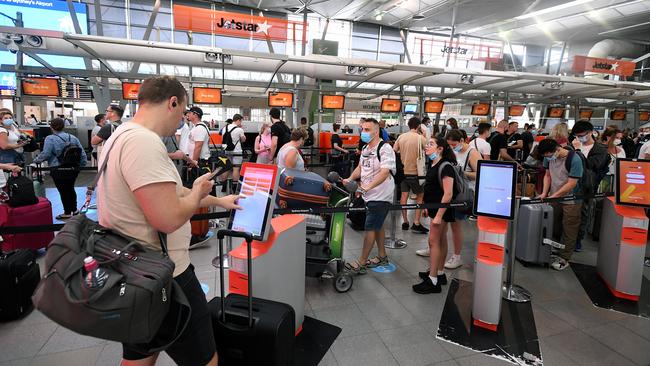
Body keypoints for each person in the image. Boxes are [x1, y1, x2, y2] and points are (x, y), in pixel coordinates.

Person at [97, 76, 240, 366]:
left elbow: (172, 194)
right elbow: (168, 218)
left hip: (131, 269)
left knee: (141, 355)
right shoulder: (143, 143)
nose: (180, 123)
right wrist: (199, 191)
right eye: (182, 113)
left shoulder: (119, 136)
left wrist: (216, 200)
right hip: (166, 276)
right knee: (204, 359)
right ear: (172, 102)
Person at [342, 118, 396, 274]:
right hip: (369, 195)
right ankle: (382, 256)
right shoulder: (365, 148)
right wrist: (351, 178)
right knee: (378, 226)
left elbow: (385, 172)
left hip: (381, 196)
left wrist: (366, 187)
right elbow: (360, 168)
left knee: (370, 227)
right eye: (362, 129)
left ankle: (361, 262)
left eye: (367, 129)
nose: (363, 132)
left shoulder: (385, 149)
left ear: (376, 131)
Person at [422, 130, 481, 268]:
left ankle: (456, 256)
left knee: (455, 226)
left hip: (461, 194)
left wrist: (460, 173)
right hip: (445, 194)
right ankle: (434, 250)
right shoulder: (447, 155)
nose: (452, 148)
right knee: (440, 232)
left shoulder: (472, 153)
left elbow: (482, 173)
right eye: (449, 145)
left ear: (462, 141)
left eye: (454, 145)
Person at [413, 136, 457, 294]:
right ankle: (439, 272)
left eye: (431, 144)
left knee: (433, 242)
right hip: (435, 208)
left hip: (442, 210)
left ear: (440, 149)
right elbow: (431, 187)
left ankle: (433, 281)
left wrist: (438, 216)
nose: (427, 146)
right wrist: (426, 205)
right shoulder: (433, 163)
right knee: (441, 240)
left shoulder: (446, 167)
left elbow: (448, 193)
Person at [538, 138, 583, 271]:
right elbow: (547, 176)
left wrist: (554, 196)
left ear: (557, 149)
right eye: (546, 156)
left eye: (549, 155)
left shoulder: (574, 160)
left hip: (571, 199)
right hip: (554, 196)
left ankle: (565, 257)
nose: (548, 158)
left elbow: (571, 183)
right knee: (553, 224)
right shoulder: (548, 157)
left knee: (569, 228)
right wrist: (544, 193)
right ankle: (554, 249)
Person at [33, 118, 87, 220]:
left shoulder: (50, 138)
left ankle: (67, 212)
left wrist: (36, 160)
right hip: (72, 168)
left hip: (57, 168)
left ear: (51, 127)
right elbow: (82, 153)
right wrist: (80, 166)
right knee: (70, 188)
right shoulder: (73, 137)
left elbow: (46, 153)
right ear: (64, 126)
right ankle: (74, 210)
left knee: (63, 190)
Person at [393, 116, 428, 233]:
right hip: (416, 174)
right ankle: (416, 222)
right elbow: (428, 150)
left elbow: (394, 149)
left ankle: (405, 221)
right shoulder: (420, 138)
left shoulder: (401, 137)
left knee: (404, 196)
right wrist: (424, 135)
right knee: (420, 195)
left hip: (403, 172)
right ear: (418, 126)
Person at [220, 114, 246, 191]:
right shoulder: (239, 129)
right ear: (238, 120)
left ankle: (223, 187)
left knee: (226, 168)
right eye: (241, 121)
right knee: (236, 169)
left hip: (227, 151)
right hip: (237, 152)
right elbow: (243, 140)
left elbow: (223, 138)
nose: (241, 123)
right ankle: (234, 188)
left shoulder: (225, 128)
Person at [600, 127, 625, 192]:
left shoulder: (621, 150)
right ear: (608, 137)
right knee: (601, 199)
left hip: (617, 179)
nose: (619, 140)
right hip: (603, 178)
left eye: (620, 138)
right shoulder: (599, 149)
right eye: (616, 138)